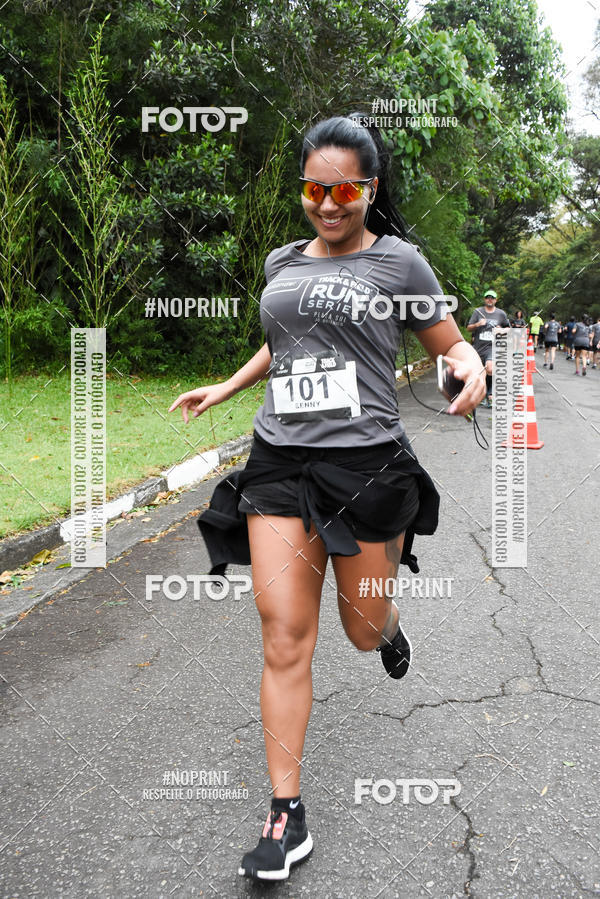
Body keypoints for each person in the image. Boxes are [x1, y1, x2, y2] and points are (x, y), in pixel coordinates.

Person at [169, 115, 486, 883]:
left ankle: (390, 624)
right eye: (315, 190)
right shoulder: (283, 260)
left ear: (369, 190)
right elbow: (286, 341)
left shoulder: (399, 262)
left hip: (366, 465)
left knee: (361, 628)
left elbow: (448, 340)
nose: (328, 204)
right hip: (280, 460)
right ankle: (285, 814)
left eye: (345, 191)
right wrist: (228, 386)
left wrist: (470, 364)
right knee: (284, 636)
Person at [467, 289, 510, 407]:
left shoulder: (501, 314)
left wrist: (501, 330)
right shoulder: (477, 312)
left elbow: (508, 328)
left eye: (492, 298)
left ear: (496, 300)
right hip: (479, 347)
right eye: (487, 297)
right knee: (481, 372)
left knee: (490, 368)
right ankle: (483, 394)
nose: (490, 299)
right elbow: (468, 328)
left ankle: (490, 394)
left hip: (493, 346)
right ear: (484, 299)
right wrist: (477, 324)